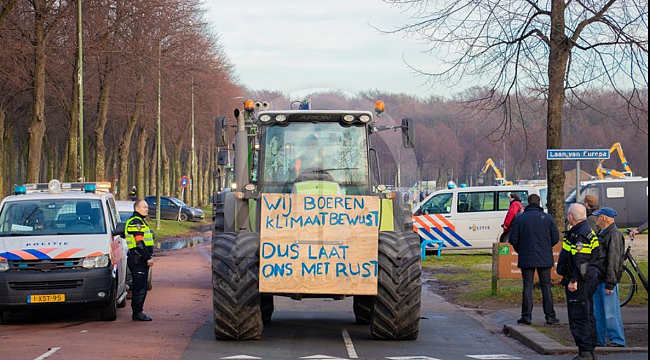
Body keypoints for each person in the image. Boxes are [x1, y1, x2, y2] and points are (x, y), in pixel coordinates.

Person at [557, 203, 601, 360]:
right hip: (588, 278)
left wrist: (574, 280)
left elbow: (581, 261)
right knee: (587, 313)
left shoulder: (580, 234)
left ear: (570, 217)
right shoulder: (585, 230)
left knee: (579, 315)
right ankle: (590, 350)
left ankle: (585, 352)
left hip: (581, 280)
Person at [509, 194, 560, 325]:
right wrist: (546, 247)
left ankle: (526, 316)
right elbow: (555, 238)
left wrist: (521, 250)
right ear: (539, 203)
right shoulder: (547, 218)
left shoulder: (520, 219)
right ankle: (550, 316)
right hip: (544, 256)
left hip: (526, 256)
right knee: (546, 286)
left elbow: (513, 239)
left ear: (528, 203)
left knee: (527, 286)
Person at [593, 207, 626, 348]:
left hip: (605, 280)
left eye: (597, 217)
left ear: (604, 218)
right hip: (599, 278)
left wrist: (610, 283)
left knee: (610, 312)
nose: (595, 219)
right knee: (599, 312)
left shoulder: (613, 235)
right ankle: (600, 339)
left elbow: (614, 260)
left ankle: (617, 340)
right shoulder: (603, 233)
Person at [125, 200, 155, 321]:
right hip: (138, 258)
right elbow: (139, 242)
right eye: (144, 207)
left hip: (138, 258)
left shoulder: (139, 221)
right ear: (137, 208)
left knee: (140, 286)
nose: (147, 209)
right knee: (140, 288)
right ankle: (137, 313)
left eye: (147, 207)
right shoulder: (136, 222)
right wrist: (147, 257)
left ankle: (138, 312)